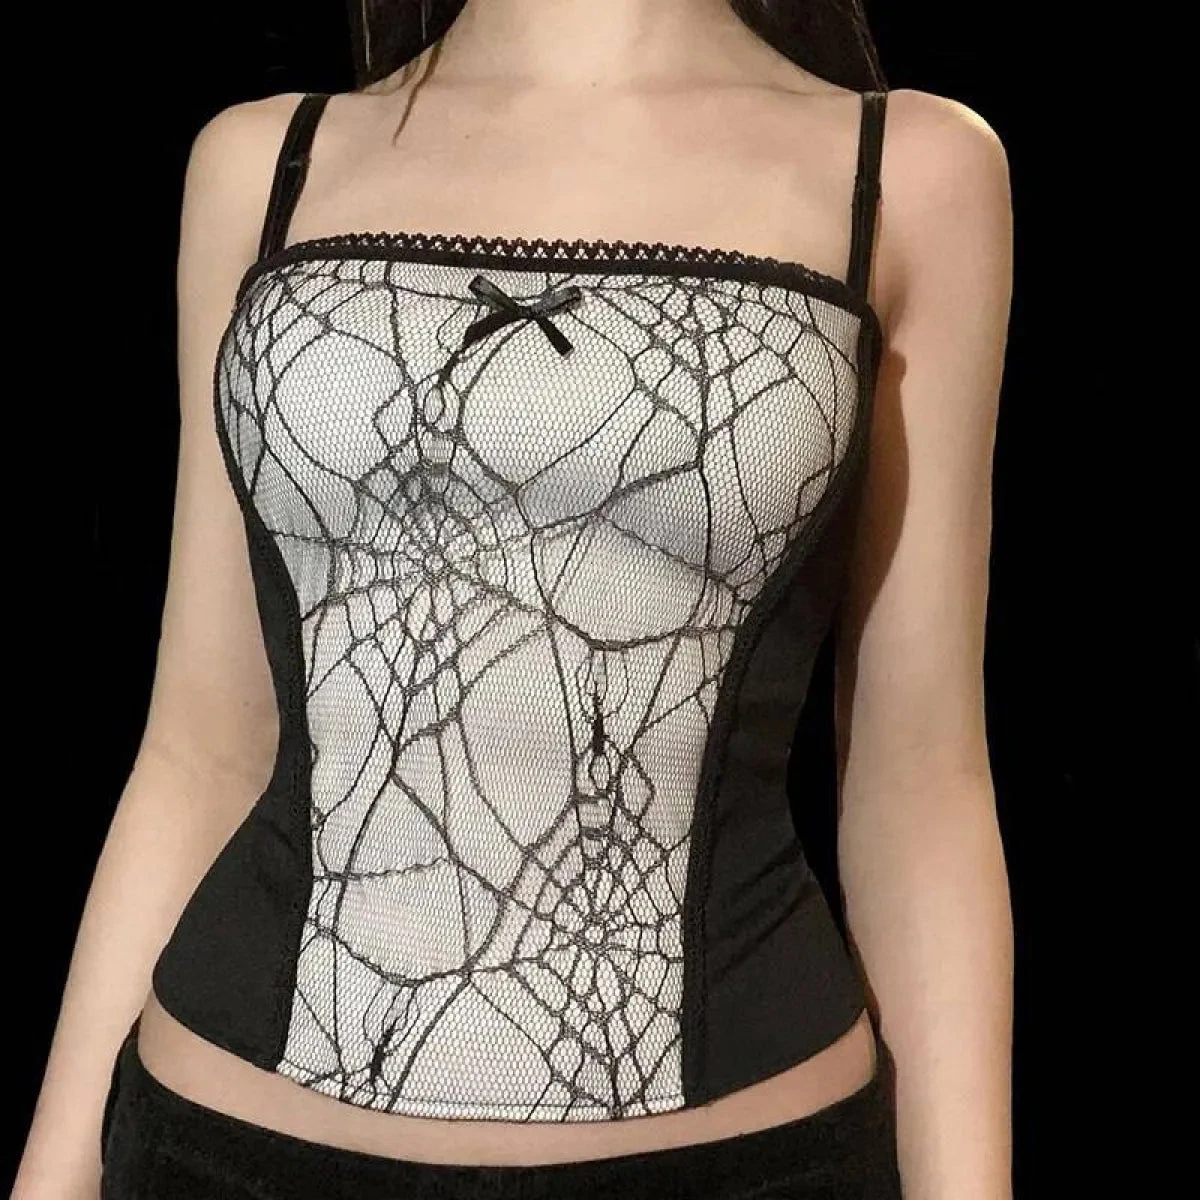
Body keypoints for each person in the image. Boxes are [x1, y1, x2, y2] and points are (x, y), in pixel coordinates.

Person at [16, 1, 1015, 1197]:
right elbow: (200, 747)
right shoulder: (264, 162)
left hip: (739, 1160)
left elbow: (916, 779)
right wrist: (52, 1174)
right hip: (218, 1151)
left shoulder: (907, 171)